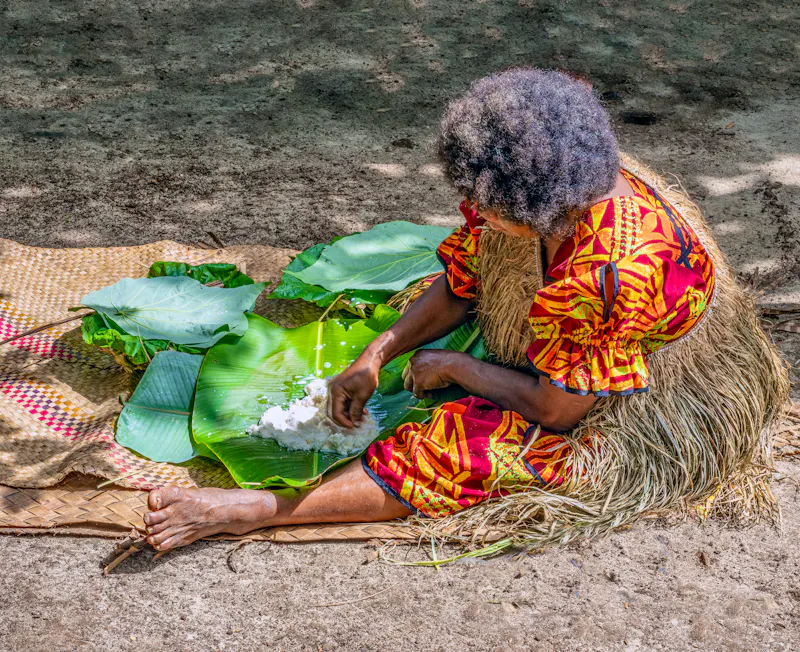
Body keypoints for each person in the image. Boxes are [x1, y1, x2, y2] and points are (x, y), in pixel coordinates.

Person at [143, 68, 786, 552]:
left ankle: (264, 509)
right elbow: (464, 281)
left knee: (469, 447)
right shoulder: (541, 184)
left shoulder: (608, 275)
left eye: (491, 212)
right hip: (570, 349)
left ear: (542, 208)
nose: (477, 215)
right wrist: (374, 357)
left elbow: (556, 411)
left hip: (616, 401)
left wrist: (456, 367)